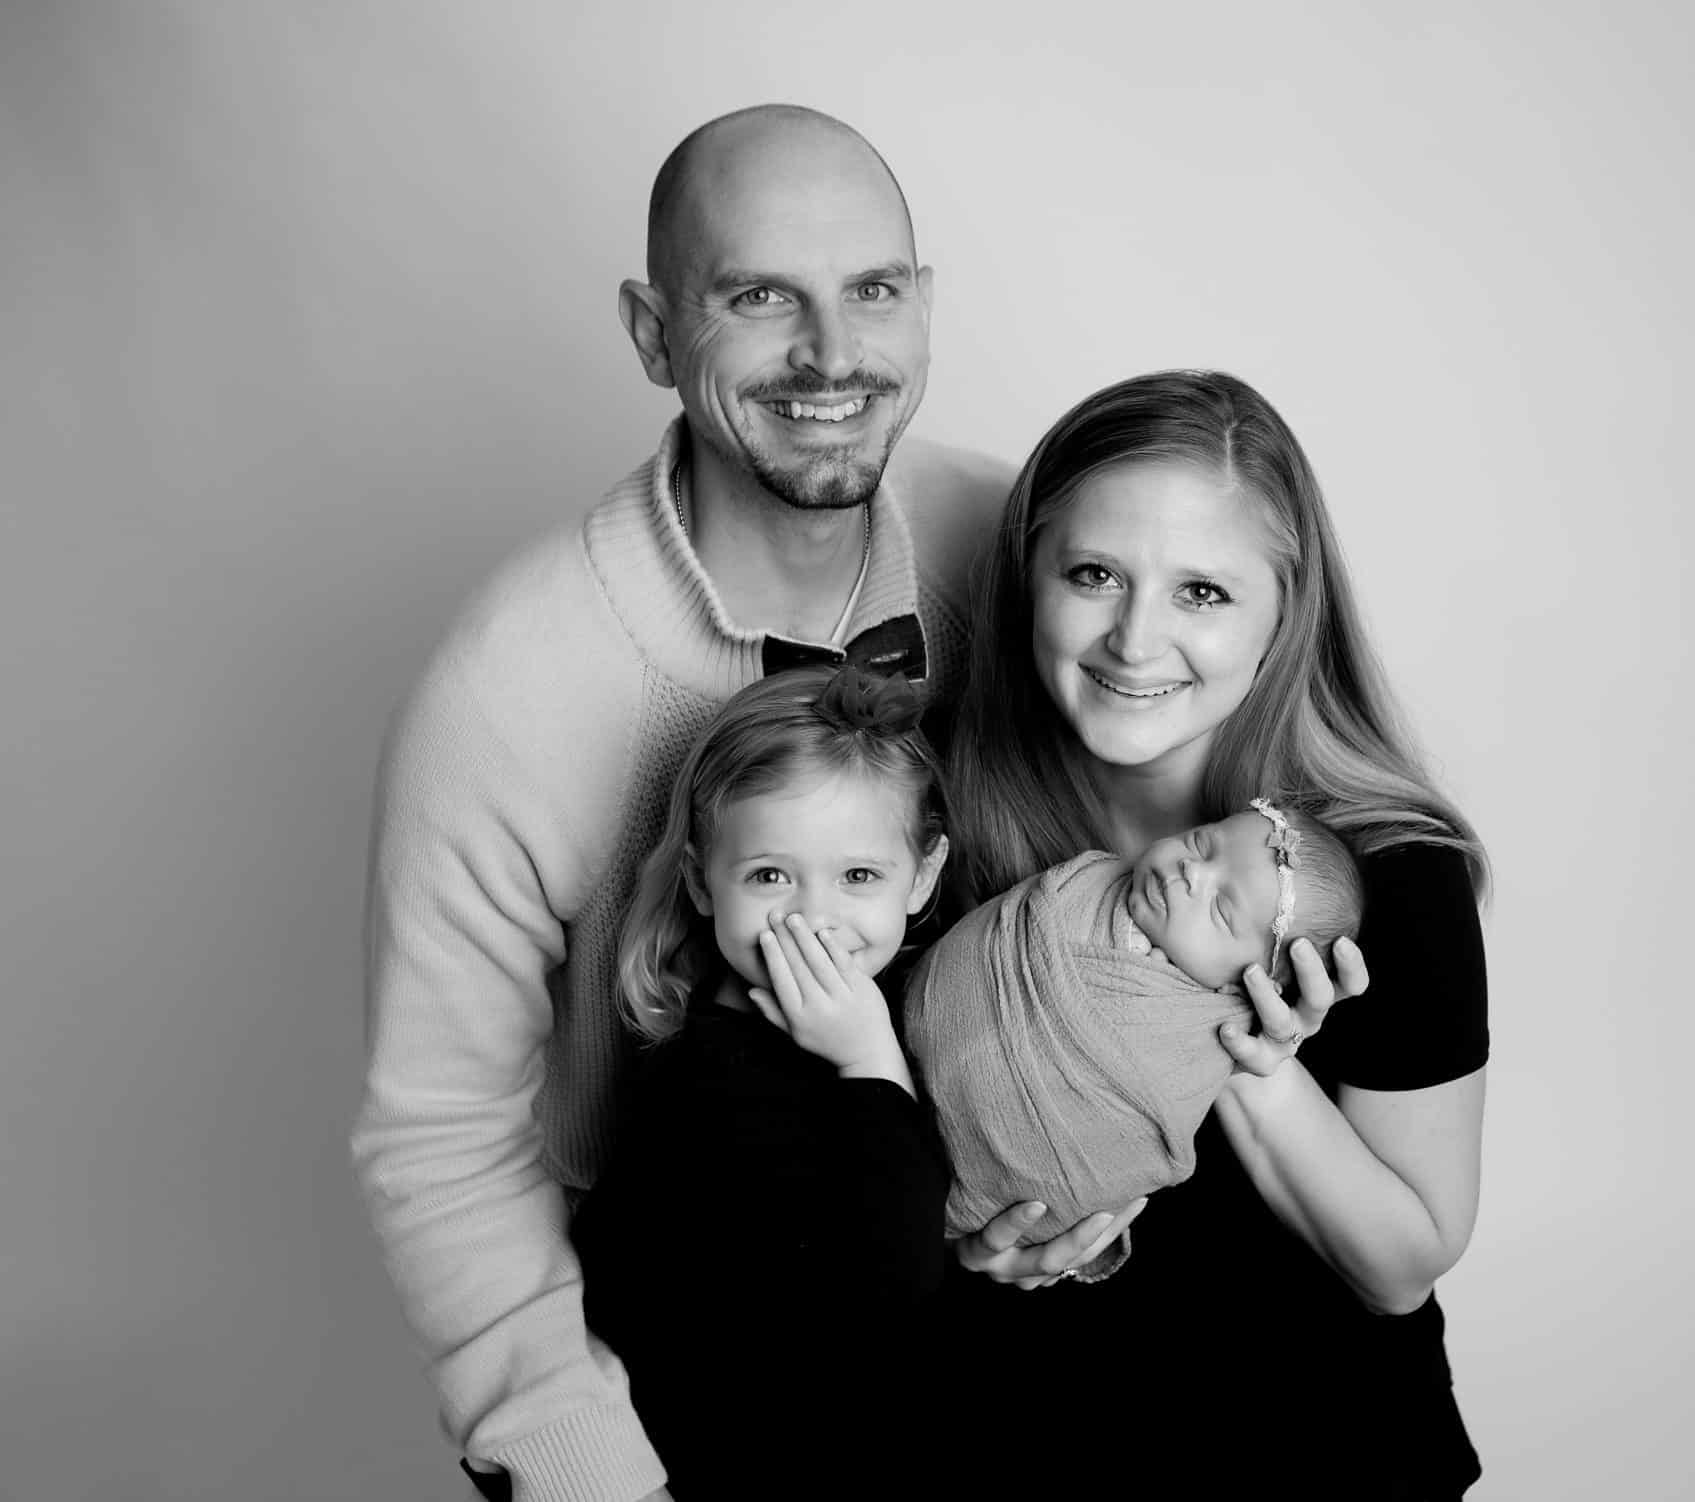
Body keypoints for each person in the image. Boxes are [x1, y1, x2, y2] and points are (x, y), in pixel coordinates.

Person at [352, 104, 1013, 1502]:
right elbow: (443, 1135)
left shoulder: (1012, 546)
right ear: (655, 334)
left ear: (922, 305)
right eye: (760, 296)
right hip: (700, 1384)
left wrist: (1109, 1149)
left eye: (870, 290)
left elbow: (1138, 849)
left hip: (990, 1361)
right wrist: (589, 1474)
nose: (830, 354)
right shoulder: (508, 688)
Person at [937, 369, 1491, 1498]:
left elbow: (1399, 1267)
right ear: (1026, 578)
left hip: (1321, 1460)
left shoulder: (1387, 874)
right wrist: (970, 1247)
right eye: (1093, 574)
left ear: (1285, 615)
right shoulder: (937, 826)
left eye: (1201, 592)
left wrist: (1246, 1055)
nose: (1135, 640)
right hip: (1022, 1450)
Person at [568, 664, 951, 1483]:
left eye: (859, 876)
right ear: (703, 881)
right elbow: (894, 1284)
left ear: (922, 876)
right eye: (770, 876)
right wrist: (868, 1062)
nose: (813, 917)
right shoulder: (712, 1081)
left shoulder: (923, 1005)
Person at [904, 798, 1364, 1240]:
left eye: (1221, 910)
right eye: (1202, 843)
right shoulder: (1094, 883)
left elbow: (1125, 1141)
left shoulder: (1203, 1034)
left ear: (1256, 982)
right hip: (904, 1022)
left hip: (974, 1168)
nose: (1192, 871)